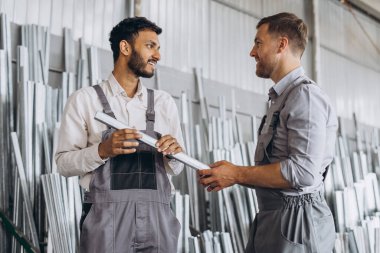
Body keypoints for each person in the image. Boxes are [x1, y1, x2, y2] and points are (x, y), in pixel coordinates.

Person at [198, 12, 337, 253]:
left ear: (281, 44)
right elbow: (278, 168)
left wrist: (238, 174)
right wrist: (230, 174)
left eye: (258, 43)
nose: (252, 52)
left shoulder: (305, 96)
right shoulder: (283, 98)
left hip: (296, 223)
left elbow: (302, 172)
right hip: (274, 217)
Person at [55, 17, 184, 253]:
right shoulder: (85, 100)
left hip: (159, 220)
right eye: (150, 46)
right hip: (106, 222)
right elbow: (63, 164)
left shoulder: (164, 103)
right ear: (125, 48)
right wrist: (102, 150)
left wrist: (175, 155)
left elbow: (176, 168)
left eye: (158, 48)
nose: (157, 55)